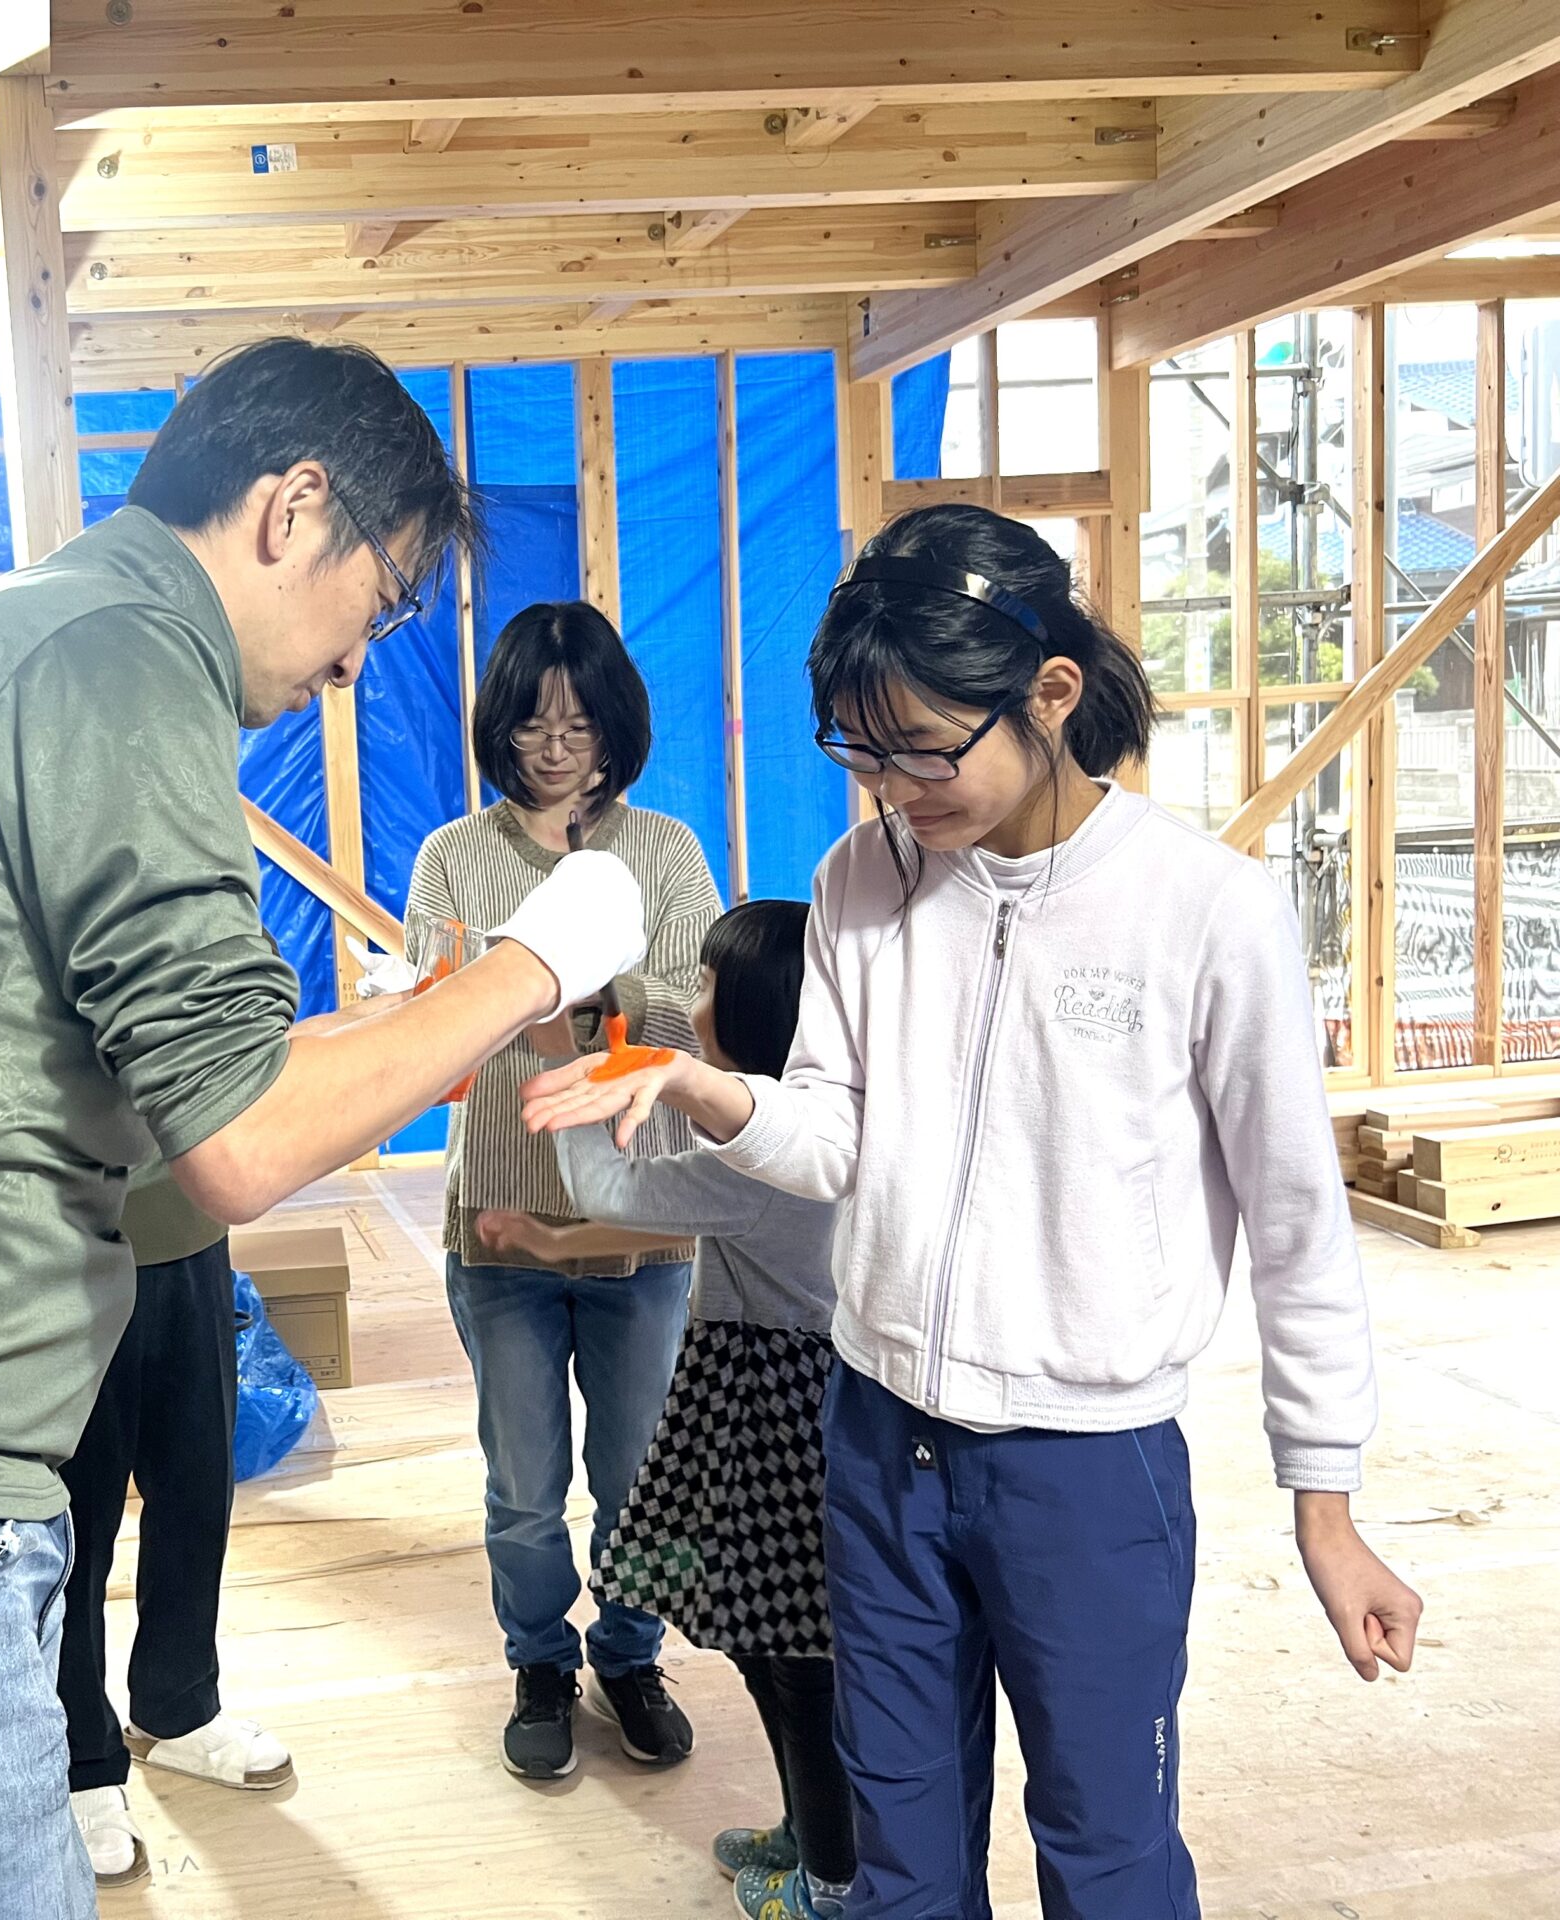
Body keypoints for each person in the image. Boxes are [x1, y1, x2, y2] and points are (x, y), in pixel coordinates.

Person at [0, 337, 651, 1920]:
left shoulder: (66, 630)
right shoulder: (122, 661)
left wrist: (399, 1029)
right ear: (293, 510)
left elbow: (153, 1082)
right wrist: (534, 965)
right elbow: (239, 1144)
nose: (357, 664)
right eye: (379, 604)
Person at [523, 505, 1424, 1920]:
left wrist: (1327, 1499)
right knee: (899, 1858)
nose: (891, 791)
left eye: (922, 750)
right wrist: (708, 1090)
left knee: (1107, 1851)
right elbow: (834, 1139)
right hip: (878, 1441)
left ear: (1050, 692)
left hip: (1089, 1465)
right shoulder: (861, 881)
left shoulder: (1205, 912)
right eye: (859, 753)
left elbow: (1298, 1224)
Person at [484, 898, 854, 1920]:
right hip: (765, 1401)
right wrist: (557, 1244)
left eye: (704, 986)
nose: (688, 1008)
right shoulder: (800, 1119)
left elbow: (618, 1188)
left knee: (796, 1662)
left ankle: (833, 1883)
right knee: (768, 1645)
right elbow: (680, 1211)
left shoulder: (762, 1153)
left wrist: (556, 1048)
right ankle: (809, 1837)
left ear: (758, 1011)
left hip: (773, 1418)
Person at [405, 599, 722, 1781]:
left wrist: (569, 997)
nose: (552, 747)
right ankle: (538, 1660)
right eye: (531, 724)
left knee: (640, 1477)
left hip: (641, 1227)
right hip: (500, 1221)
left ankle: (631, 1657)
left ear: (615, 727)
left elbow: (698, 1013)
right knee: (523, 1486)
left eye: (578, 724)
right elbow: (438, 1019)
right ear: (497, 726)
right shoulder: (453, 855)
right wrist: (519, 999)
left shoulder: (666, 851)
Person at [58, 1161, 285, 1889]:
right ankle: (79, 1757)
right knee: (74, 1519)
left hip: (192, 1231)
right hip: (59, 1244)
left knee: (196, 1484)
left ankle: (177, 1705)